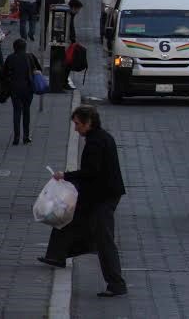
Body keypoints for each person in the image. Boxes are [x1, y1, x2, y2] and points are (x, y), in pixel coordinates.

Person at [39, 106, 128, 298]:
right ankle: (57, 255)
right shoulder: (101, 137)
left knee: (104, 240)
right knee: (68, 220)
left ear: (88, 123)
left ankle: (116, 284)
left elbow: (91, 172)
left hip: (102, 197)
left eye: (77, 124)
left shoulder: (96, 143)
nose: (75, 128)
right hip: (100, 194)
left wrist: (66, 176)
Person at [3, 38, 42, 145]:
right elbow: (39, 68)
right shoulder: (30, 56)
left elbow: (4, 73)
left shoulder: (10, 58)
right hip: (28, 88)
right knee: (26, 111)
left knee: (16, 111)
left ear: (14, 48)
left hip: (15, 88)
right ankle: (26, 136)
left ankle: (16, 137)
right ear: (25, 48)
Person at [65, 0, 84, 90]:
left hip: (69, 42)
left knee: (68, 62)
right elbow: (69, 28)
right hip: (67, 42)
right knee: (68, 62)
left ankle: (64, 81)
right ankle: (63, 81)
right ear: (73, 8)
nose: (78, 12)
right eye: (77, 10)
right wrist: (72, 40)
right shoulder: (68, 16)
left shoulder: (70, 15)